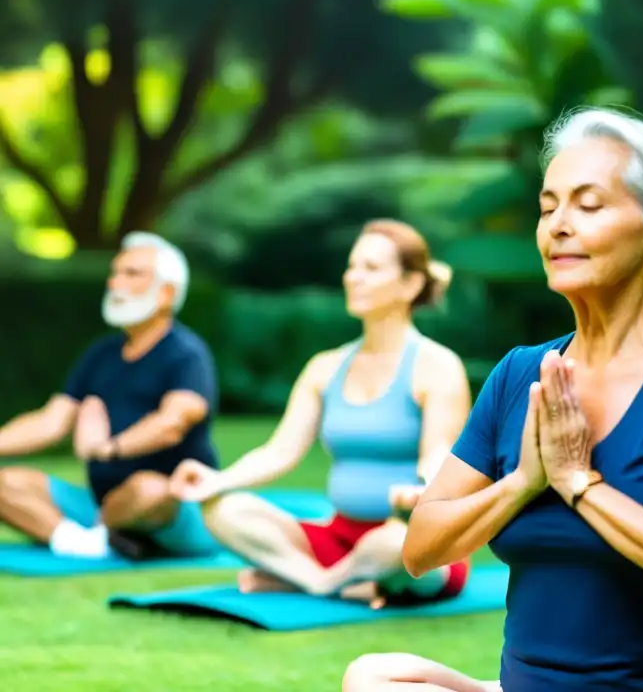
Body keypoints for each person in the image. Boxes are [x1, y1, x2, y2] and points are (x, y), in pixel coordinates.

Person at [341, 108, 643, 692]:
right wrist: (523, 481)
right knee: (376, 678)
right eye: (548, 208)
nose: (558, 226)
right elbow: (421, 547)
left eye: (588, 206)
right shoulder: (521, 374)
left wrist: (580, 484)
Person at [170, 219, 473, 606]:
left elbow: (440, 454)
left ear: (411, 284)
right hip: (338, 540)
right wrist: (217, 480)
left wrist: (420, 489)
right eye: (352, 266)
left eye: (371, 268)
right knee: (223, 508)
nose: (354, 277)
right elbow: (280, 451)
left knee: (394, 545)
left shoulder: (437, 365)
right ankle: (328, 582)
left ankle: (324, 580)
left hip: (413, 540)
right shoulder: (325, 367)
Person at [0, 232, 220, 560]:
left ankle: (102, 533)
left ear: (167, 293)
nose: (116, 283)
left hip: (172, 505)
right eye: (115, 273)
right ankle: (85, 543)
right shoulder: (101, 353)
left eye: (132, 274)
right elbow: (51, 421)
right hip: (101, 502)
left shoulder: (187, 354)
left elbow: (171, 424)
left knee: (150, 489)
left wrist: (109, 449)